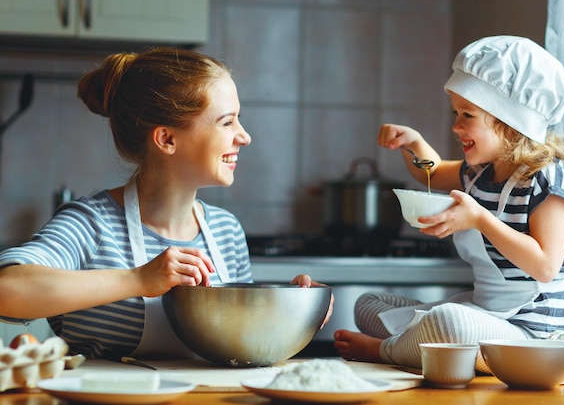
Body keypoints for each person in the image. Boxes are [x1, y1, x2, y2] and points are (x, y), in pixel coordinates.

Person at [0, 47, 331, 360]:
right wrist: (140, 279)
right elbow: (8, 288)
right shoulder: (91, 224)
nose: (243, 136)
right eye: (227, 122)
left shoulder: (225, 230)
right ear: (167, 139)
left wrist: (297, 307)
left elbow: (241, 345)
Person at [333, 35, 564, 372]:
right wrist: (414, 144)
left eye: (468, 115)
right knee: (368, 304)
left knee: (449, 321)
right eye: (456, 112)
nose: (455, 126)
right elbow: (429, 172)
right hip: (486, 314)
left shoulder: (544, 182)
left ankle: (386, 351)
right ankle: (418, 346)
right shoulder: (480, 173)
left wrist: (480, 219)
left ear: (509, 122)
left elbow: (545, 266)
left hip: (534, 336)